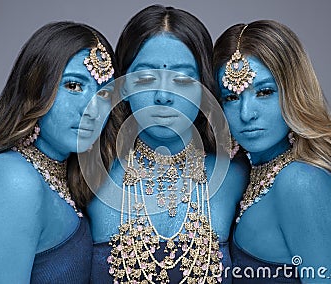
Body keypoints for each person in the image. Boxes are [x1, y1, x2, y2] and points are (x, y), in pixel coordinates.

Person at [87, 5, 249, 283]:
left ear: (204, 89)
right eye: (147, 77)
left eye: (183, 78)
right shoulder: (88, 172)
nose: (163, 95)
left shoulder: (237, 175)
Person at [0, 21, 118, 283]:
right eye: (73, 86)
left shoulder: (63, 180)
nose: (91, 108)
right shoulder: (11, 181)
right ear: (34, 89)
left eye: (104, 93)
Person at [213, 20, 331, 283]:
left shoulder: (304, 181)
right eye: (231, 98)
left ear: (293, 91)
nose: (247, 114)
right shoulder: (248, 172)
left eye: (264, 92)